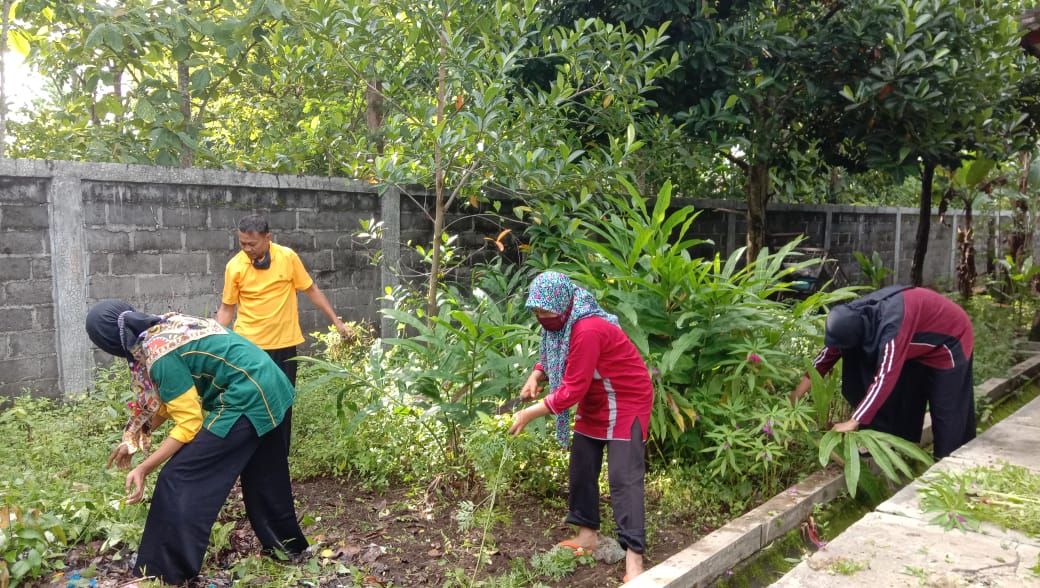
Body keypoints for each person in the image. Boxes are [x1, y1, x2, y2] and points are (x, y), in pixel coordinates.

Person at [86, 299, 308, 585]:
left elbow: (188, 424)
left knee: (179, 476)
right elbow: (169, 401)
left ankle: (163, 571)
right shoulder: (162, 326)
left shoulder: (158, 354)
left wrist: (144, 469)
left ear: (108, 342)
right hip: (269, 381)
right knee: (264, 474)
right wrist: (133, 438)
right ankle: (288, 547)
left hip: (245, 396)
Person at [508, 271, 653, 582]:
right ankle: (587, 535)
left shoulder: (587, 328)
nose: (541, 317)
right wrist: (536, 376)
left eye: (545, 312)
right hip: (595, 394)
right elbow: (553, 356)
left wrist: (529, 413)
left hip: (626, 398)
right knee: (582, 464)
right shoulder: (562, 321)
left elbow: (572, 389)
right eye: (536, 311)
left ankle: (635, 561)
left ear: (562, 305)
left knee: (623, 478)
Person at [789, 285, 976, 459]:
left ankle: (952, 467)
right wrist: (794, 398)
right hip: (917, 345)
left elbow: (884, 378)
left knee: (946, 413)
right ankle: (882, 443)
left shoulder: (891, 329)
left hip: (951, 340)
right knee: (899, 394)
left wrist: (853, 421)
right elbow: (825, 359)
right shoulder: (850, 319)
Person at [216, 214, 354, 386]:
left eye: (252, 244)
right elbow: (227, 307)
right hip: (249, 345)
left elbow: (311, 289)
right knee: (255, 400)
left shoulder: (287, 257)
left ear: (268, 238)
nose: (247, 248)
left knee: (285, 397)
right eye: (242, 243)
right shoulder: (234, 266)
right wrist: (215, 338)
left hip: (284, 344)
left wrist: (337, 322)